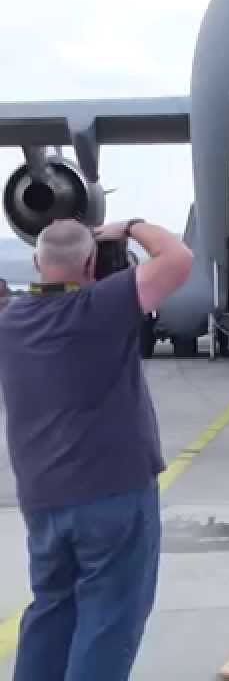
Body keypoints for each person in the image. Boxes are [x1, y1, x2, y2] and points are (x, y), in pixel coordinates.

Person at [0, 218, 194, 681]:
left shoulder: (10, 320)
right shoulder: (103, 305)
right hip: (113, 495)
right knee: (109, 618)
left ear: (35, 262)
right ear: (90, 263)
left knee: (52, 610)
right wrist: (129, 226)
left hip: (43, 501)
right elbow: (178, 259)